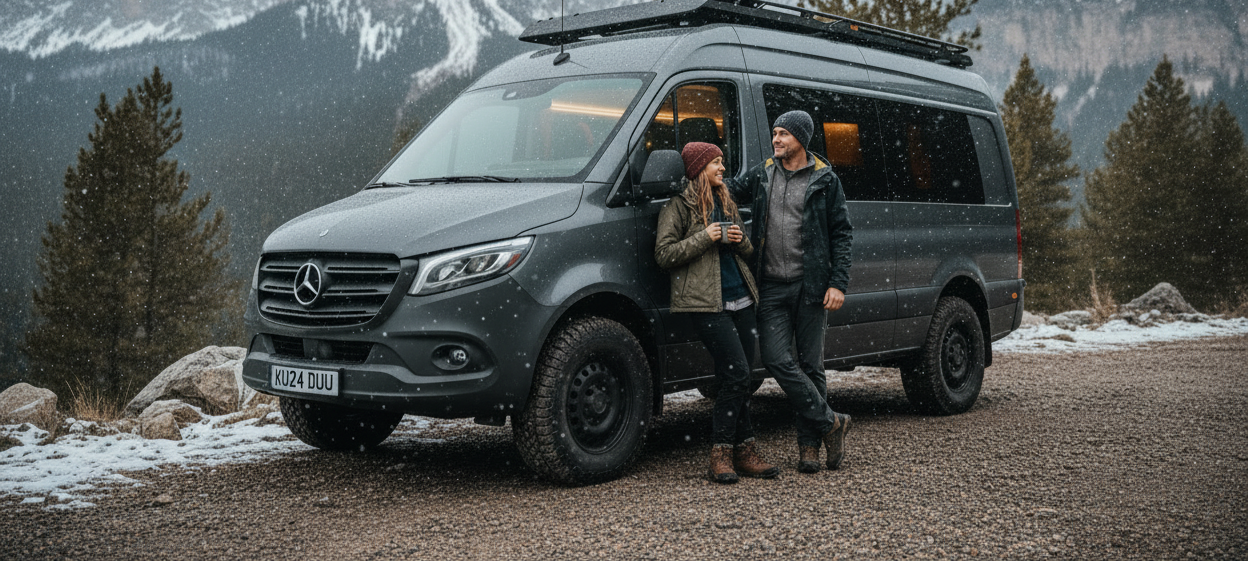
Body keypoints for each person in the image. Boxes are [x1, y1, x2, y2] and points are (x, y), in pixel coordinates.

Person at [726, 110, 854, 474]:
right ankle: (831, 422)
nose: (776, 140)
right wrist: (700, 175)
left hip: (811, 286)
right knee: (777, 359)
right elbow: (729, 191)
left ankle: (809, 446)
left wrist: (837, 283)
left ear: (801, 138)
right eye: (775, 133)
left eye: (783, 134)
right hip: (770, 286)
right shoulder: (764, 173)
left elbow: (842, 234)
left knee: (811, 365)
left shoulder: (825, 180)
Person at [655, 142, 780, 484]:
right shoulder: (679, 207)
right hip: (707, 304)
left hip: (742, 299)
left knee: (739, 378)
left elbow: (749, 251)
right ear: (698, 169)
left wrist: (740, 240)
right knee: (738, 374)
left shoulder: (726, 200)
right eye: (716, 163)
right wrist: (706, 236)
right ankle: (721, 454)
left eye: (722, 162)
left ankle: (744, 451)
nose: (722, 168)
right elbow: (664, 255)